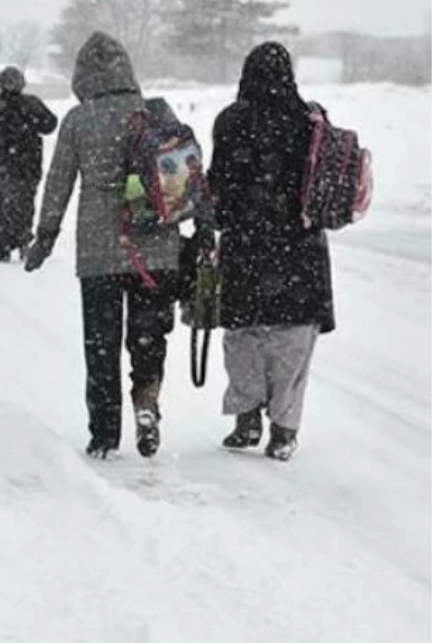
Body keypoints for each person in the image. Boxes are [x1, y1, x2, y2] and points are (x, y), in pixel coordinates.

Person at [23, 32, 182, 460]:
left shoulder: (78, 120)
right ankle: (146, 398)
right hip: (157, 247)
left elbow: (58, 183)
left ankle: (104, 434)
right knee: (148, 336)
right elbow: (180, 179)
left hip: (99, 251)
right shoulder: (153, 113)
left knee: (101, 343)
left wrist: (44, 237)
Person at [207, 42, 334, 461]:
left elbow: (218, 186)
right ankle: (284, 429)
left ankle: (246, 419)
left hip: (247, 244)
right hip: (300, 249)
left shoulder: (231, 121)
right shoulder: (311, 120)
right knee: (294, 340)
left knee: (243, 334)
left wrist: (219, 221)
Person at [0, 66, 58, 262]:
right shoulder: (31, 104)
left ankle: (0, 246)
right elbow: (50, 124)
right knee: (24, 205)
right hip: (27, 166)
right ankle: (22, 238)